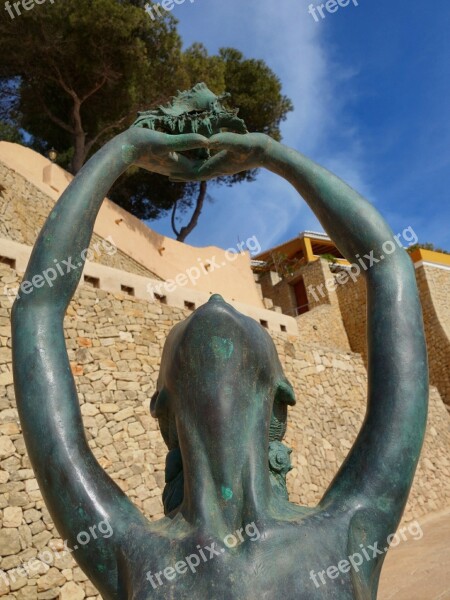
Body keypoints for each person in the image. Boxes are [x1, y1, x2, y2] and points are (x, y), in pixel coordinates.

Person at [11, 127, 428, 599]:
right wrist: (268, 157)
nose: (213, 297)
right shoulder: (347, 529)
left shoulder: (133, 553)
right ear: (279, 403)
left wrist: (130, 152)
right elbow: (387, 268)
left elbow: (37, 311)